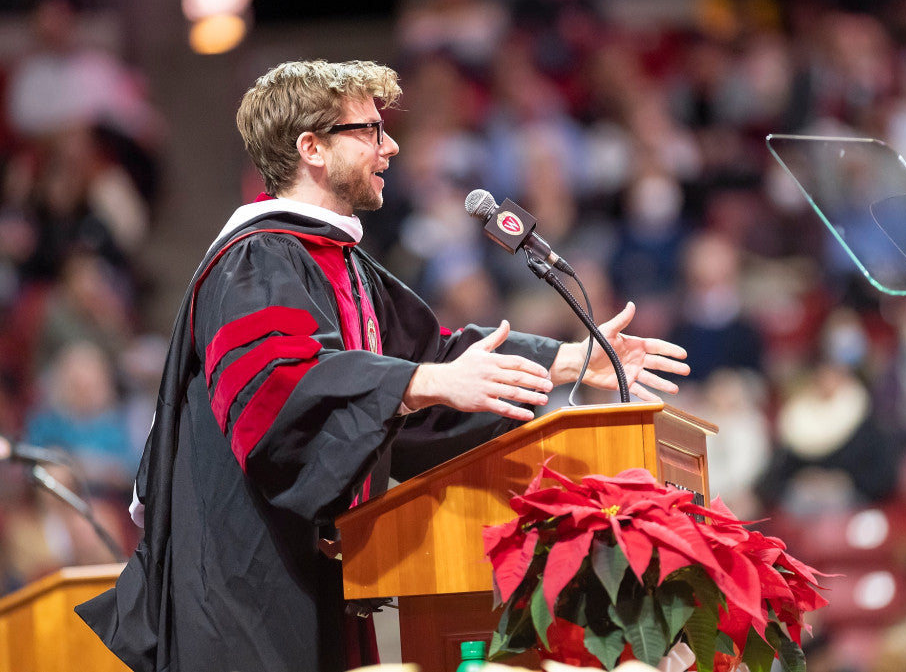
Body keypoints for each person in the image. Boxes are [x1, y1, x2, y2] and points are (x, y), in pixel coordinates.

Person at [75, 59, 690, 672]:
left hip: (314, 576)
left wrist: (569, 360)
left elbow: (433, 357)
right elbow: (275, 392)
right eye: (369, 130)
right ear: (311, 147)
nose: (390, 146)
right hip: (246, 583)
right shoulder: (256, 260)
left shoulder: (341, 263)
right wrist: (420, 383)